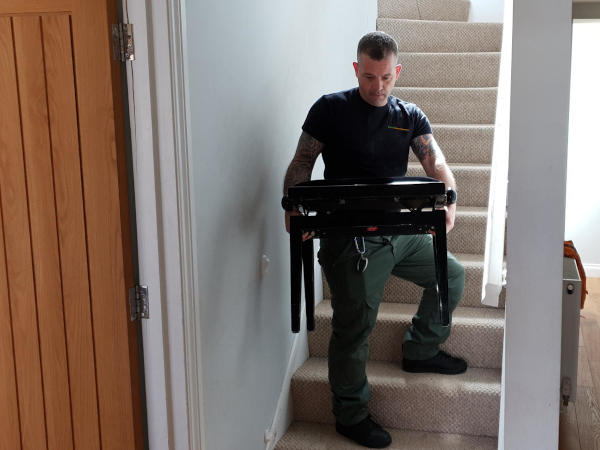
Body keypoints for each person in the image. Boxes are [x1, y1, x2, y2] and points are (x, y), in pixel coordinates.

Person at [282, 31, 466, 449]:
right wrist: (292, 206)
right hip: (351, 240)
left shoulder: (409, 115)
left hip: (400, 233)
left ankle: (420, 349)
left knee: (452, 276)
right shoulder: (330, 109)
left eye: (385, 77)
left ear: (396, 72)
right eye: (368, 77)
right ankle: (350, 413)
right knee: (354, 328)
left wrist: (448, 194)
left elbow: (434, 159)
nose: (377, 86)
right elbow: (302, 162)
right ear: (356, 69)